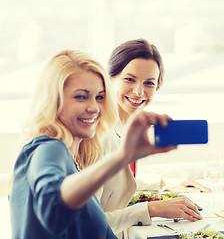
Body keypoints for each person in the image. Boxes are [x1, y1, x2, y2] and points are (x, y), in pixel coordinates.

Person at [9, 49, 176, 239]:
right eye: (81, 96)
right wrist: (122, 157)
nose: (94, 108)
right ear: (53, 100)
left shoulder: (76, 157)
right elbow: (53, 209)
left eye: (99, 97)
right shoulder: (48, 148)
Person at [96, 39, 202, 238]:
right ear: (110, 78)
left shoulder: (127, 127)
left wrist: (163, 183)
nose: (138, 92)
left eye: (149, 83)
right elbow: (89, 222)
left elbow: (114, 182)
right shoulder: (99, 134)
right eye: (129, 79)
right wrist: (153, 209)